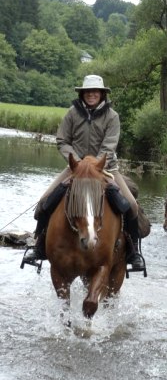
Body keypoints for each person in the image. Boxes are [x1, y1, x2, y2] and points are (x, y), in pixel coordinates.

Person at [22, 75, 145, 271]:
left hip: (106, 169)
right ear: (83, 93)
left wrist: (93, 165)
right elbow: (62, 140)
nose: (91, 95)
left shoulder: (112, 116)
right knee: (44, 202)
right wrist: (78, 164)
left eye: (95, 91)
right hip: (75, 168)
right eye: (88, 92)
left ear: (102, 93)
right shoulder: (72, 113)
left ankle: (133, 252)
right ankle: (38, 247)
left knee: (131, 205)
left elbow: (109, 145)